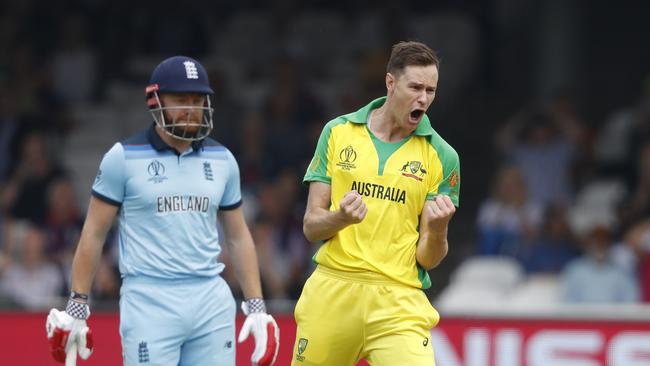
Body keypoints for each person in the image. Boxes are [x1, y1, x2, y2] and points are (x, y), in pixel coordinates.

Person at [45, 56, 279, 366]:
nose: (191, 108)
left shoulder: (223, 159)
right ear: (155, 101)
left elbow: (237, 236)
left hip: (210, 298)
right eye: (181, 99)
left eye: (198, 99)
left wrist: (257, 306)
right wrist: (77, 305)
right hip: (148, 299)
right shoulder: (122, 158)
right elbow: (93, 234)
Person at [292, 41, 460, 365]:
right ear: (390, 83)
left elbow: (429, 257)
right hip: (333, 290)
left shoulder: (443, 156)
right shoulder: (338, 132)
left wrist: (438, 230)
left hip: (398, 301)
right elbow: (312, 227)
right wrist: (340, 218)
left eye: (431, 90)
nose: (423, 99)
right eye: (415, 87)